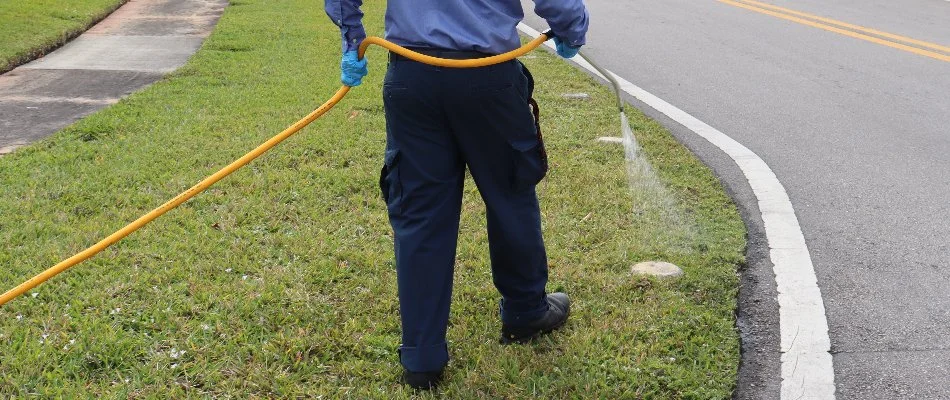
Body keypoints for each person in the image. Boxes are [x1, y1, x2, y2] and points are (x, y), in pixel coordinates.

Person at [325, 0, 589, 390]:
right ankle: (525, 312)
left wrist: (353, 39)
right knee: (510, 196)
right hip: (489, 77)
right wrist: (571, 31)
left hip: (412, 78)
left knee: (420, 215)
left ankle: (422, 356)